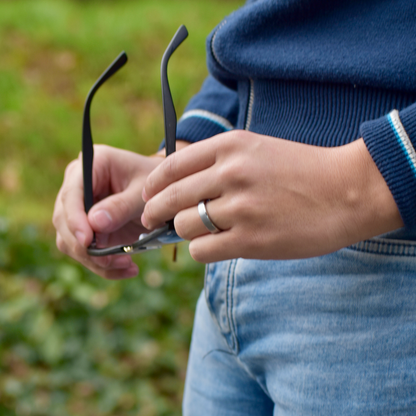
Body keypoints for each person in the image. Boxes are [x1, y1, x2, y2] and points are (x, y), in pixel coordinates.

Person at [53, 0, 416, 414]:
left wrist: (364, 181)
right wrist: (183, 161)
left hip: (387, 293)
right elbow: (275, 24)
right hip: (231, 291)